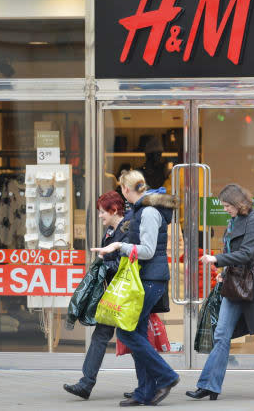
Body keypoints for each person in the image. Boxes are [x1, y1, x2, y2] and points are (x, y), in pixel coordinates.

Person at [186, 184, 254, 400]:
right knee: (221, 335)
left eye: (228, 205)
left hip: (253, 287)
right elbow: (232, 251)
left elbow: (246, 253)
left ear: (238, 203)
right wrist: (224, 272)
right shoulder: (234, 221)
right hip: (235, 285)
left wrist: (217, 260)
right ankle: (209, 385)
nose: (225, 209)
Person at [91, 170, 180, 407]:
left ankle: (167, 376)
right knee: (137, 332)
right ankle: (145, 392)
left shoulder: (149, 211)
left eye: (122, 190)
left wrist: (118, 246)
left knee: (126, 332)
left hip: (150, 278)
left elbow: (148, 250)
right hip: (147, 278)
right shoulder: (144, 209)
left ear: (126, 190)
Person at [63, 191, 130, 399]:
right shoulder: (111, 231)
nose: (100, 216)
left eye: (103, 212)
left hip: (126, 293)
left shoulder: (128, 231)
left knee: (134, 339)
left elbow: (126, 263)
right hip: (113, 292)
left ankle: (158, 379)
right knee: (102, 335)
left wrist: (104, 263)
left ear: (114, 210)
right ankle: (86, 383)